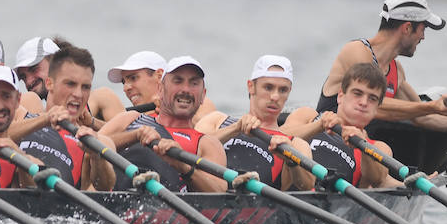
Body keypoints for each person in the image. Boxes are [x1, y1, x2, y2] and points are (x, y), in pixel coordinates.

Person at [315, 0, 447, 132]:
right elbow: (375, 106)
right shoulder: (356, 51)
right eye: (423, 29)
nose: (423, 37)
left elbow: (424, 118)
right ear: (407, 28)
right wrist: (431, 106)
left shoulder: (396, 71)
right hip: (325, 140)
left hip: (357, 152)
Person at [99, 56, 226, 192]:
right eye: (178, 81)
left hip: (167, 209)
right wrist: (135, 136)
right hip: (114, 203)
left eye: (193, 83)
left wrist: (184, 167)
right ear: (160, 89)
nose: (186, 90)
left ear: (202, 96)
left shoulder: (208, 143)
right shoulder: (131, 119)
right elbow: (90, 148)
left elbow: (218, 193)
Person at [203, 55, 315, 191]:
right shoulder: (217, 120)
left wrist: (291, 160)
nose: (275, 97)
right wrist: (235, 129)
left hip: (259, 208)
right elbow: (193, 149)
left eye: (283, 90)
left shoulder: (295, 144)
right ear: (251, 87)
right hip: (210, 200)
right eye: (268, 87)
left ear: (289, 92)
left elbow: (307, 186)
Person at [282, 63, 401, 188]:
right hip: (287, 196)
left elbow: (377, 179)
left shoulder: (379, 147)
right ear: (340, 96)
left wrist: (362, 145)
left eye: (372, 98)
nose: (364, 102)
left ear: (377, 108)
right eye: (357, 93)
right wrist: (318, 126)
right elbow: (277, 136)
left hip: (332, 205)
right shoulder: (307, 116)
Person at [15, 35, 122, 128]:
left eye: (34, 69)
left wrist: (92, 123)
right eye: (23, 77)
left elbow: (132, 136)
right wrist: (46, 119)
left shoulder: (101, 97)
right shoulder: (29, 102)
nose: (29, 82)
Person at [106, 50, 215, 123]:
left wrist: (168, 110)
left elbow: (206, 132)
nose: (126, 88)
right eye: (123, 82)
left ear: (159, 76)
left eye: (133, 78)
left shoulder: (201, 103)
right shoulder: (127, 118)